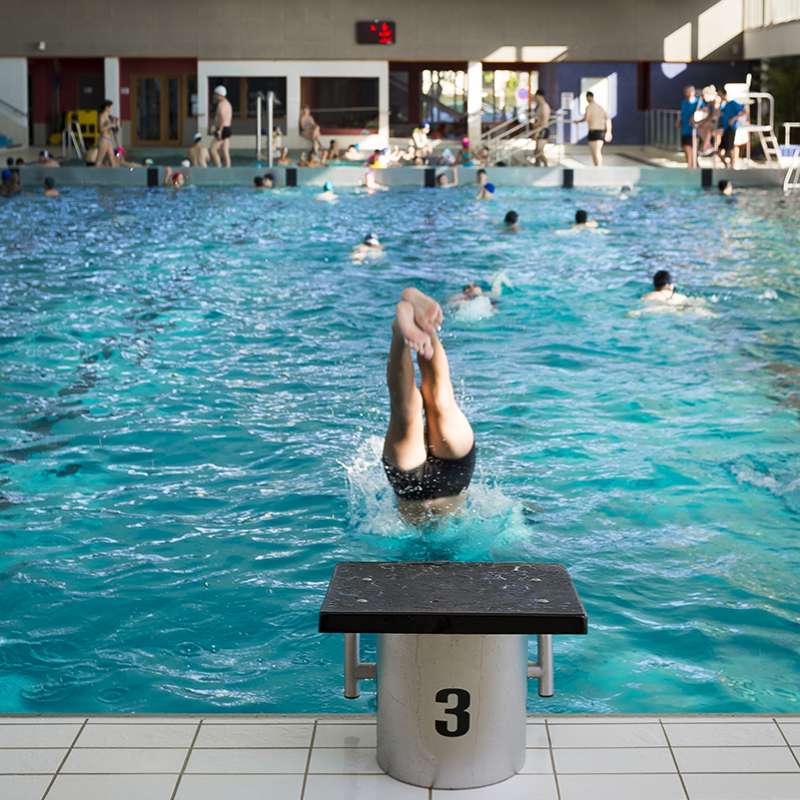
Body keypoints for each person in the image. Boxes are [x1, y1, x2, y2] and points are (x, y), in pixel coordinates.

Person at [382, 288, 475, 521]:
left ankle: (412, 326)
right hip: (416, 484)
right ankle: (406, 329)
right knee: (411, 411)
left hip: (452, 476)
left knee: (436, 401)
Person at [575, 91, 612, 166]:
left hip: (593, 131)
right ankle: (597, 166)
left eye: (587, 98)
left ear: (589, 97)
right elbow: (608, 119)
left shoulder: (589, 107)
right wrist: (608, 131)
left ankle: (597, 167)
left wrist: (578, 121)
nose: (587, 100)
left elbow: (586, 118)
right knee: (597, 151)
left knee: (595, 152)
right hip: (601, 132)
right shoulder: (600, 107)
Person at [717, 88, 747, 169]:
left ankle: (733, 166)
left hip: (731, 128)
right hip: (725, 129)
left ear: (724, 94)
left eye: (720, 95)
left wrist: (734, 118)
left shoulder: (733, 103)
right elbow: (719, 114)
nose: (719, 97)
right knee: (719, 150)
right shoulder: (724, 105)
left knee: (731, 148)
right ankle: (727, 165)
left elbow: (744, 112)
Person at [209, 85, 233, 168]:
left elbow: (222, 118)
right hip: (227, 128)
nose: (214, 96)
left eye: (215, 94)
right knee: (225, 151)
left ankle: (218, 167)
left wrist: (219, 130)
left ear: (220, 95)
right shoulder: (228, 104)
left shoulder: (221, 105)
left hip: (222, 129)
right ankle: (228, 168)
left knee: (212, 150)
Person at [678, 85, 699, 168]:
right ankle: (693, 165)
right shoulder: (683, 102)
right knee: (686, 148)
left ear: (693, 92)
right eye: (686, 91)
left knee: (689, 148)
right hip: (684, 129)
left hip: (693, 131)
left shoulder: (698, 103)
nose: (687, 93)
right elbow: (681, 114)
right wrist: (678, 121)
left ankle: (690, 166)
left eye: (689, 91)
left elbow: (703, 113)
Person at [531, 89, 551, 166]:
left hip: (543, 130)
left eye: (536, 97)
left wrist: (537, 130)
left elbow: (544, 121)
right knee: (536, 151)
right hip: (539, 130)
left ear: (540, 96)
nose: (535, 99)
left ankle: (546, 165)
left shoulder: (544, 106)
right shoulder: (540, 106)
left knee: (539, 151)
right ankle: (537, 165)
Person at [96, 101, 117, 168]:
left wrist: (114, 125)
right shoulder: (102, 116)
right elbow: (101, 129)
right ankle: (93, 173)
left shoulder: (108, 117)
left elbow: (111, 129)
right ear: (106, 107)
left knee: (112, 161)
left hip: (108, 140)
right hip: (104, 139)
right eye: (110, 107)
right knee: (99, 161)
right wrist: (110, 125)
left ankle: (113, 173)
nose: (111, 109)